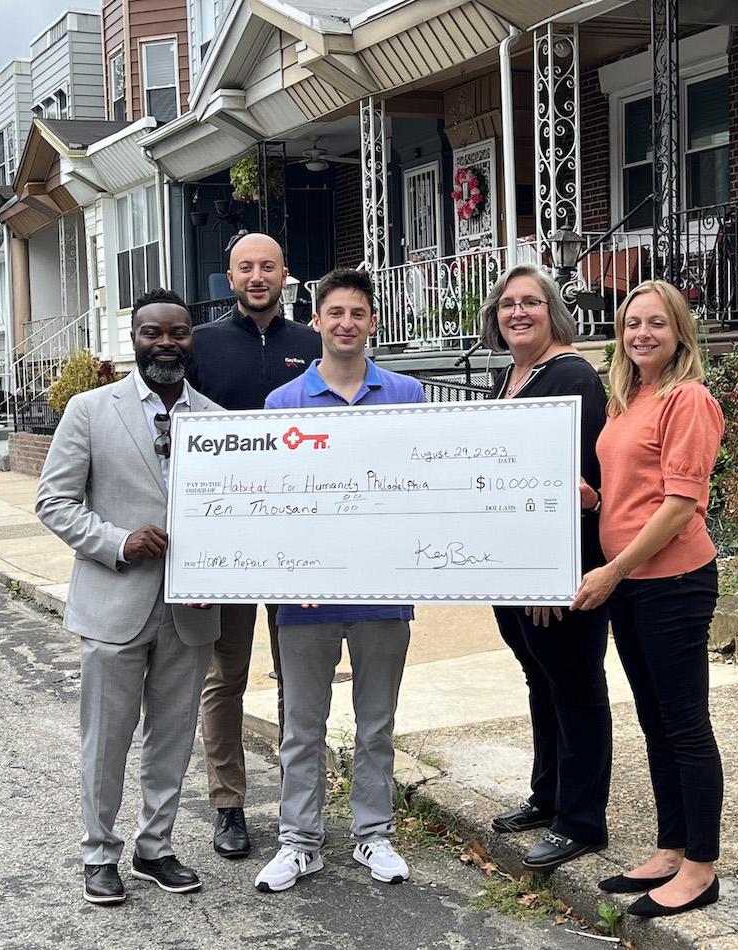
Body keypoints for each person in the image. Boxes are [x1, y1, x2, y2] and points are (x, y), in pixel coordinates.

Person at [35, 288, 221, 905]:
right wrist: (118, 541)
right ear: (133, 340)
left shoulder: (217, 420)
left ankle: (155, 848)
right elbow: (54, 503)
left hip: (191, 610)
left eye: (179, 332)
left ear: (192, 339)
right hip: (115, 601)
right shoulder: (91, 410)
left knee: (172, 736)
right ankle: (98, 853)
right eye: (152, 333)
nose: (166, 343)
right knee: (106, 739)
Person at [254, 267, 425, 893]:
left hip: (384, 593)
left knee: (376, 722)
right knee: (302, 726)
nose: (346, 324)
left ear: (372, 321)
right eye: (335, 314)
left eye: (358, 313)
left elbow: (425, 488)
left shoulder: (407, 397)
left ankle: (372, 835)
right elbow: (270, 502)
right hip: (307, 597)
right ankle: (299, 842)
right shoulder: (282, 405)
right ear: (318, 321)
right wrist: (282, 571)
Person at [570, 279, 724, 918]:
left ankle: (700, 866)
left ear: (679, 332)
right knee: (655, 718)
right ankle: (669, 847)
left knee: (685, 723)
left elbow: (681, 503)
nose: (642, 334)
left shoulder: (687, 399)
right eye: (632, 323)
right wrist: (596, 502)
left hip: (673, 583)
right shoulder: (628, 398)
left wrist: (613, 568)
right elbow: (634, 492)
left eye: (656, 323)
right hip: (631, 583)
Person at [185, 232, 322, 861]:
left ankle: (301, 799)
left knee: (301, 671)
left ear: (285, 274)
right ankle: (228, 805)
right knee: (225, 675)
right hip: (231, 540)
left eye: (268, 265)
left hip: (299, 537)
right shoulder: (202, 345)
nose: (257, 276)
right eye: (246, 267)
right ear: (230, 276)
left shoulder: (313, 346)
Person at [478, 264, 613, 873]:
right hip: (514, 565)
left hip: (562, 564)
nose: (517, 313)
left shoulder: (573, 376)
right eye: (507, 304)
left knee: (576, 687)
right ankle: (548, 796)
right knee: (542, 681)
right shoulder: (513, 377)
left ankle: (580, 821)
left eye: (530, 302)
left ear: (552, 311)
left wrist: (550, 574)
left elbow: (569, 481)